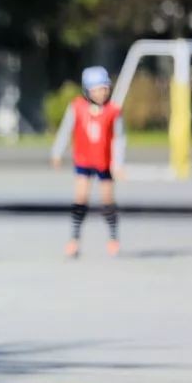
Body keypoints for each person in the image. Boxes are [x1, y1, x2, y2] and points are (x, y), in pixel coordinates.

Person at [50, 66, 125, 258]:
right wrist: (57, 151)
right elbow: (66, 130)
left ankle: (113, 237)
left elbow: (119, 138)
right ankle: (74, 240)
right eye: (97, 89)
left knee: (107, 199)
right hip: (84, 158)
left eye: (104, 88)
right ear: (87, 91)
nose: (102, 93)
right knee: (80, 197)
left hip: (104, 161)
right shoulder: (77, 108)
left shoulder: (113, 111)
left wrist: (118, 163)